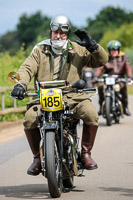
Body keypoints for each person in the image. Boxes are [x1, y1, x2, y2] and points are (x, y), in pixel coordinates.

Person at [11, 15, 108, 176]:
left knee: (91, 113)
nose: (58, 36)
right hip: (44, 97)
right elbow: (26, 69)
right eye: (55, 31)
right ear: (50, 31)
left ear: (67, 33)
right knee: (29, 118)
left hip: (73, 96)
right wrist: (20, 84)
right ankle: (37, 158)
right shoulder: (40, 49)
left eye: (63, 33)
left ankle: (85, 154)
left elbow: (101, 61)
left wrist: (93, 46)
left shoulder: (78, 48)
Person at [92, 40, 133, 116]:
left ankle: (125, 107)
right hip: (107, 78)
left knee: (123, 86)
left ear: (118, 50)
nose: (113, 51)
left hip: (119, 79)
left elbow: (128, 68)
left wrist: (130, 76)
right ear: (109, 50)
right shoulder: (106, 58)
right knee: (100, 86)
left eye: (115, 49)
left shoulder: (124, 58)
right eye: (112, 49)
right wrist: (96, 76)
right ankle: (101, 106)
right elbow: (100, 68)